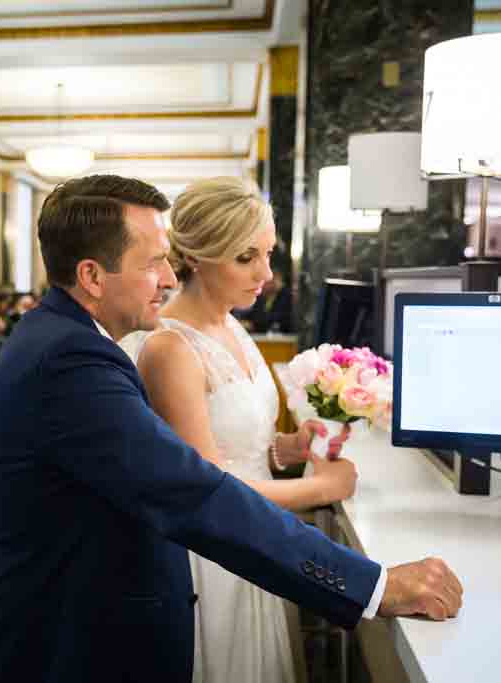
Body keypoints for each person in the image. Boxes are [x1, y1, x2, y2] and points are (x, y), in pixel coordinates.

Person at [0, 175, 462, 683]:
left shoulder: (65, 339)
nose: (169, 279)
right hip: (59, 644)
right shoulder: (71, 363)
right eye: (153, 264)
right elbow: (193, 493)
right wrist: (374, 585)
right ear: (92, 276)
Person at [121, 177, 350, 682]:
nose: (266, 274)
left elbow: (241, 444)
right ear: (198, 257)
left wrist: (288, 448)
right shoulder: (170, 350)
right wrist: (320, 488)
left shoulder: (232, 326)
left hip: (255, 531)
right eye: (246, 258)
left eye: (268, 254)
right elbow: (208, 490)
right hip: (213, 556)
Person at [236, 268, 292, 333]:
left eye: (265, 282)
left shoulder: (287, 297)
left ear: (276, 281)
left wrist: (253, 324)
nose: (262, 285)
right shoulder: (262, 297)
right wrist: (244, 321)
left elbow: (276, 319)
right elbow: (253, 314)